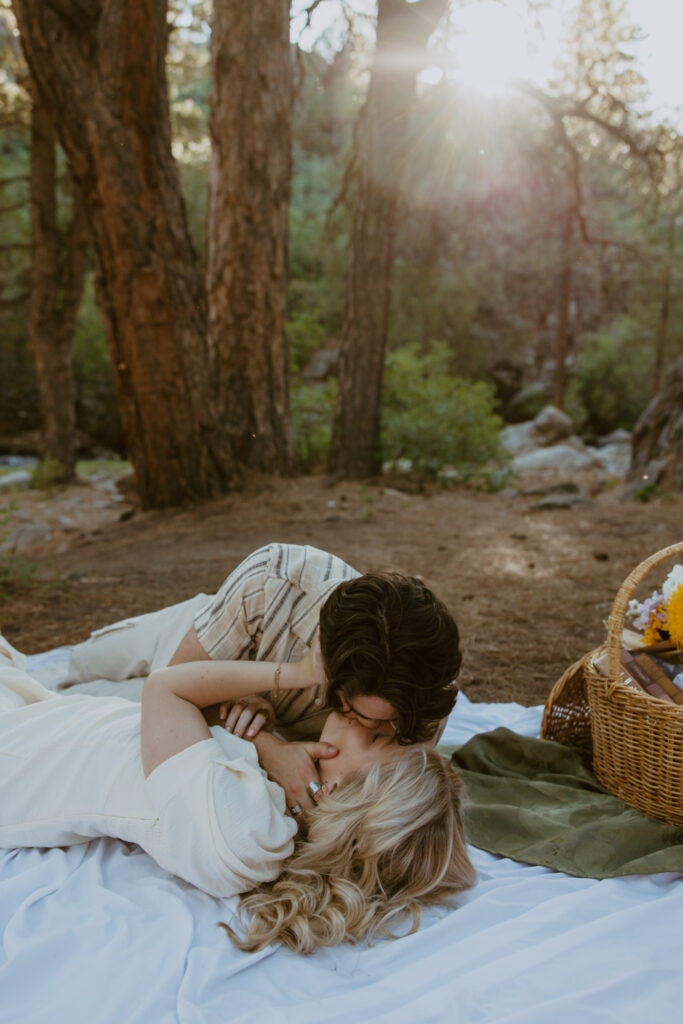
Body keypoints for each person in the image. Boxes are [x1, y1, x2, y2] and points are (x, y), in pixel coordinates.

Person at [0, 635, 476, 949]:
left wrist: (298, 672)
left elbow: (166, 688)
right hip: (50, 722)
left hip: (16, 754)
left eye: (377, 738)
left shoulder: (243, 835)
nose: (368, 722)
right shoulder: (276, 817)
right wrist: (263, 741)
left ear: (336, 791)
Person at [53, 543, 463, 814]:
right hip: (207, 641)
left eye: (380, 728)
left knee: (78, 699)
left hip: (207, 703)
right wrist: (267, 748)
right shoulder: (273, 581)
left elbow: (358, 791)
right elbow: (176, 682)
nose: (371, 729)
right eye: (357, 714)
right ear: (325, 663)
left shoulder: (424, 697)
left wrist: (266, 739)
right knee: (83, 662)